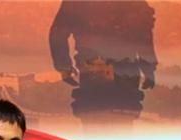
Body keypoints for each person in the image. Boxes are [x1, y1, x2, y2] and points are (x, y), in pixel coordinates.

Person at [49, 0, 158, 131]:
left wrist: (64, 68)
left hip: (93, 74)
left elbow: (57, 34)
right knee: (121, 125)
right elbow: (143, 35)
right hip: (124, 77)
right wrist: (148, 68)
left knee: (94, 121)